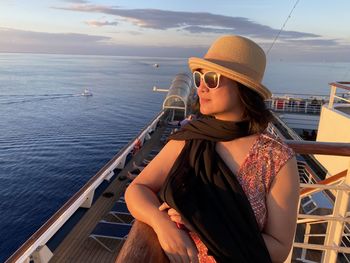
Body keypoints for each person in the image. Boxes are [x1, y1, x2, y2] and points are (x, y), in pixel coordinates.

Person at [125, 35, 299, 263]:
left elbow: (279, 248)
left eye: (212, 78)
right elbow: (137, 189)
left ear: (243, 86)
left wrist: (204, 224)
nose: (201, 87)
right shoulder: (190, 138)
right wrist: (162, 225)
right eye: (198, 78)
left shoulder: (276, 159)